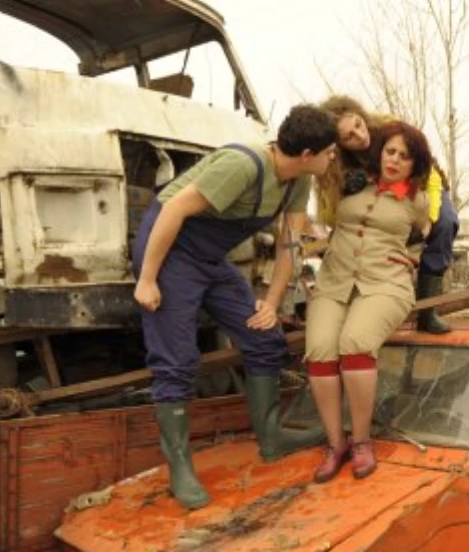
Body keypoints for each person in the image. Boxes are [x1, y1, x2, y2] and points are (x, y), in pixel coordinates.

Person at [132, 104, 338, 510]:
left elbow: (289, 246)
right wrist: (147, 277)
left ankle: (271, 438)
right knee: (178, 360)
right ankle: (180, 468)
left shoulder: (298, 180)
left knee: (265, 338)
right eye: (330, 152)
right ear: (308, 154)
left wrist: (272, 301)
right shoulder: (241, 165)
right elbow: (173, 210)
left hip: (209, 260)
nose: (334, 158)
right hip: (170, 250)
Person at [304, 121, 433, 483]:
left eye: (404, 156)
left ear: (414, 164)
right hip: (334, 280)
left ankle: (361, 441)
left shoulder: (417, 200)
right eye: (390, 151)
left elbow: (428, 234)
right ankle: (336, 444)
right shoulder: (350, 183)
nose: (394, 160)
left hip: (385, 283)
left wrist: (415, 255)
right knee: (319, 349)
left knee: (356, 342)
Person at [317, 95, 459, 334]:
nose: (360, 136)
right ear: (337, 144)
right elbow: (328, 215)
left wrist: (429, 219)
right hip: (379, 199)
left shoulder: (388, 127)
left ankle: (427, 311)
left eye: (358, 125)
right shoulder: (333, 163)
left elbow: (431, 175)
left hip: (421, 187)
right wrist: (347, 188)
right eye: (348, 137)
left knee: (445, 223)